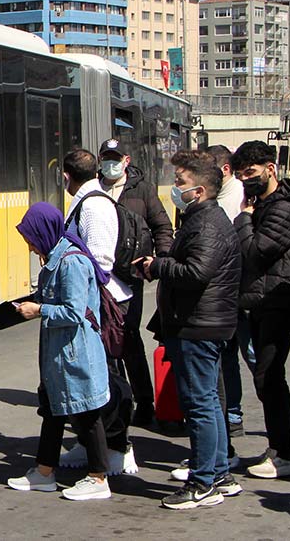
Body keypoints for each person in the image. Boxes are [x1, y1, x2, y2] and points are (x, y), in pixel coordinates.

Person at [137, 150, 242, 510]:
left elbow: (196, 272)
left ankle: (202, 482)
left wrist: (158, 266)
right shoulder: (201, 219)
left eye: (180, 181)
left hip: (198, 325)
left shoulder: (207, 223)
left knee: (199, 404)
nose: (174, 187)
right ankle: (218, 473)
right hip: (200, 323)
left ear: (199, 191)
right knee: (207, 401)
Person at [7, 202, 113, 501]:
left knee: (87, 413)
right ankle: (44, 472)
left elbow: (74, 311)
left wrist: (39, 309)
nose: (30, 247)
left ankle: (98, 477)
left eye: (31, 240)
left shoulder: (71, 262)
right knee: (53, 410)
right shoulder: (56, 258)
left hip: (75, 352)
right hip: (60, 354)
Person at [230, 141, 290, 479]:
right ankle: (279, 448)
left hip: (279, 301)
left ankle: (285, 453)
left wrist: (244, 219)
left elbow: (257, 252)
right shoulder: (263, 204)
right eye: (240, 175)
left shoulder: (284, 208)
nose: (246, 180)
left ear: (270, 169)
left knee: (269, 375)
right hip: (261, 300)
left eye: (250, 172)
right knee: (266, 376)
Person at [60, 148, 137, 473]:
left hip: (103, 305)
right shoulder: (88, 201)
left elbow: (100, 262)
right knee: (89, 379)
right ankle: (89, 442)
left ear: (66, 176)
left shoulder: (93, 206)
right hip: (95, 304)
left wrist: (81, 299)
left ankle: (117, 446)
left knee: (108, 378)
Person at [97, 138, 173, 426]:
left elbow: (162, 227)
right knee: (105, 340)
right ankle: (115, 400)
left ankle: (143, 401)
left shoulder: (141, 190)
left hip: (131, 276)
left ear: (126, 161)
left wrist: (160, 261)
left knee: (128, 337)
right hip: (102, 277)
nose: (110, 164)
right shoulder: (94, 189)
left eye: (115, 158)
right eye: (106, 158)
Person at [205, 144, 252, 438]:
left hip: (240, 293)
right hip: (222, 294)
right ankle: (231, 415)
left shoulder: (241, 196)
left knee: (254, 357)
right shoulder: (216, 195)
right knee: (227, 359)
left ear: (224, 169)